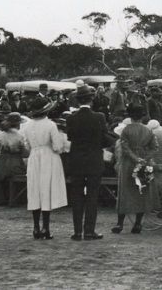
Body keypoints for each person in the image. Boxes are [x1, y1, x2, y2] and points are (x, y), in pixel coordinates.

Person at [66, 85, 113, 240]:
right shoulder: (99, 117)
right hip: (94, 161)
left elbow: (71, 137)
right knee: (92, 197)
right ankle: (89, 230)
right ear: (92, 100)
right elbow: (104, 138)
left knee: (77, 196)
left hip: (77, 161)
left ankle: (77, 231)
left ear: (78, 100)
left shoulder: (71, 118)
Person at [24, 98, 68, 240]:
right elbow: (57, 146)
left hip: (34, 157)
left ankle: (36, 227)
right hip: (48, 157)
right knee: (46, 190)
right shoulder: (50, 125)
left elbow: (27, 146)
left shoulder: (27, 125)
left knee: (34, 190)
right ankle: (46, 228)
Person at [113, 104, 160, 235]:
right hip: (145, 162)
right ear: (142, 116)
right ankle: (138, 224)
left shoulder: (126, 130)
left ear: (130, 116)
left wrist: (135, 158)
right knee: (142, 191)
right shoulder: (148, 130)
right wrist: (144, 158)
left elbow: (125, 147)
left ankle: (120, 223)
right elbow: (155, 147)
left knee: (124, 191)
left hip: (128, 163)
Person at [0, 113, 27, 206]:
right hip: (15, 161)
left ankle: (1, 198)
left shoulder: (2, 134)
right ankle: (17, 198)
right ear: (17, 124)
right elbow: (24, 152)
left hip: (2, 161)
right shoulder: (19, 135)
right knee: (21, 174)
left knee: (1, 177)